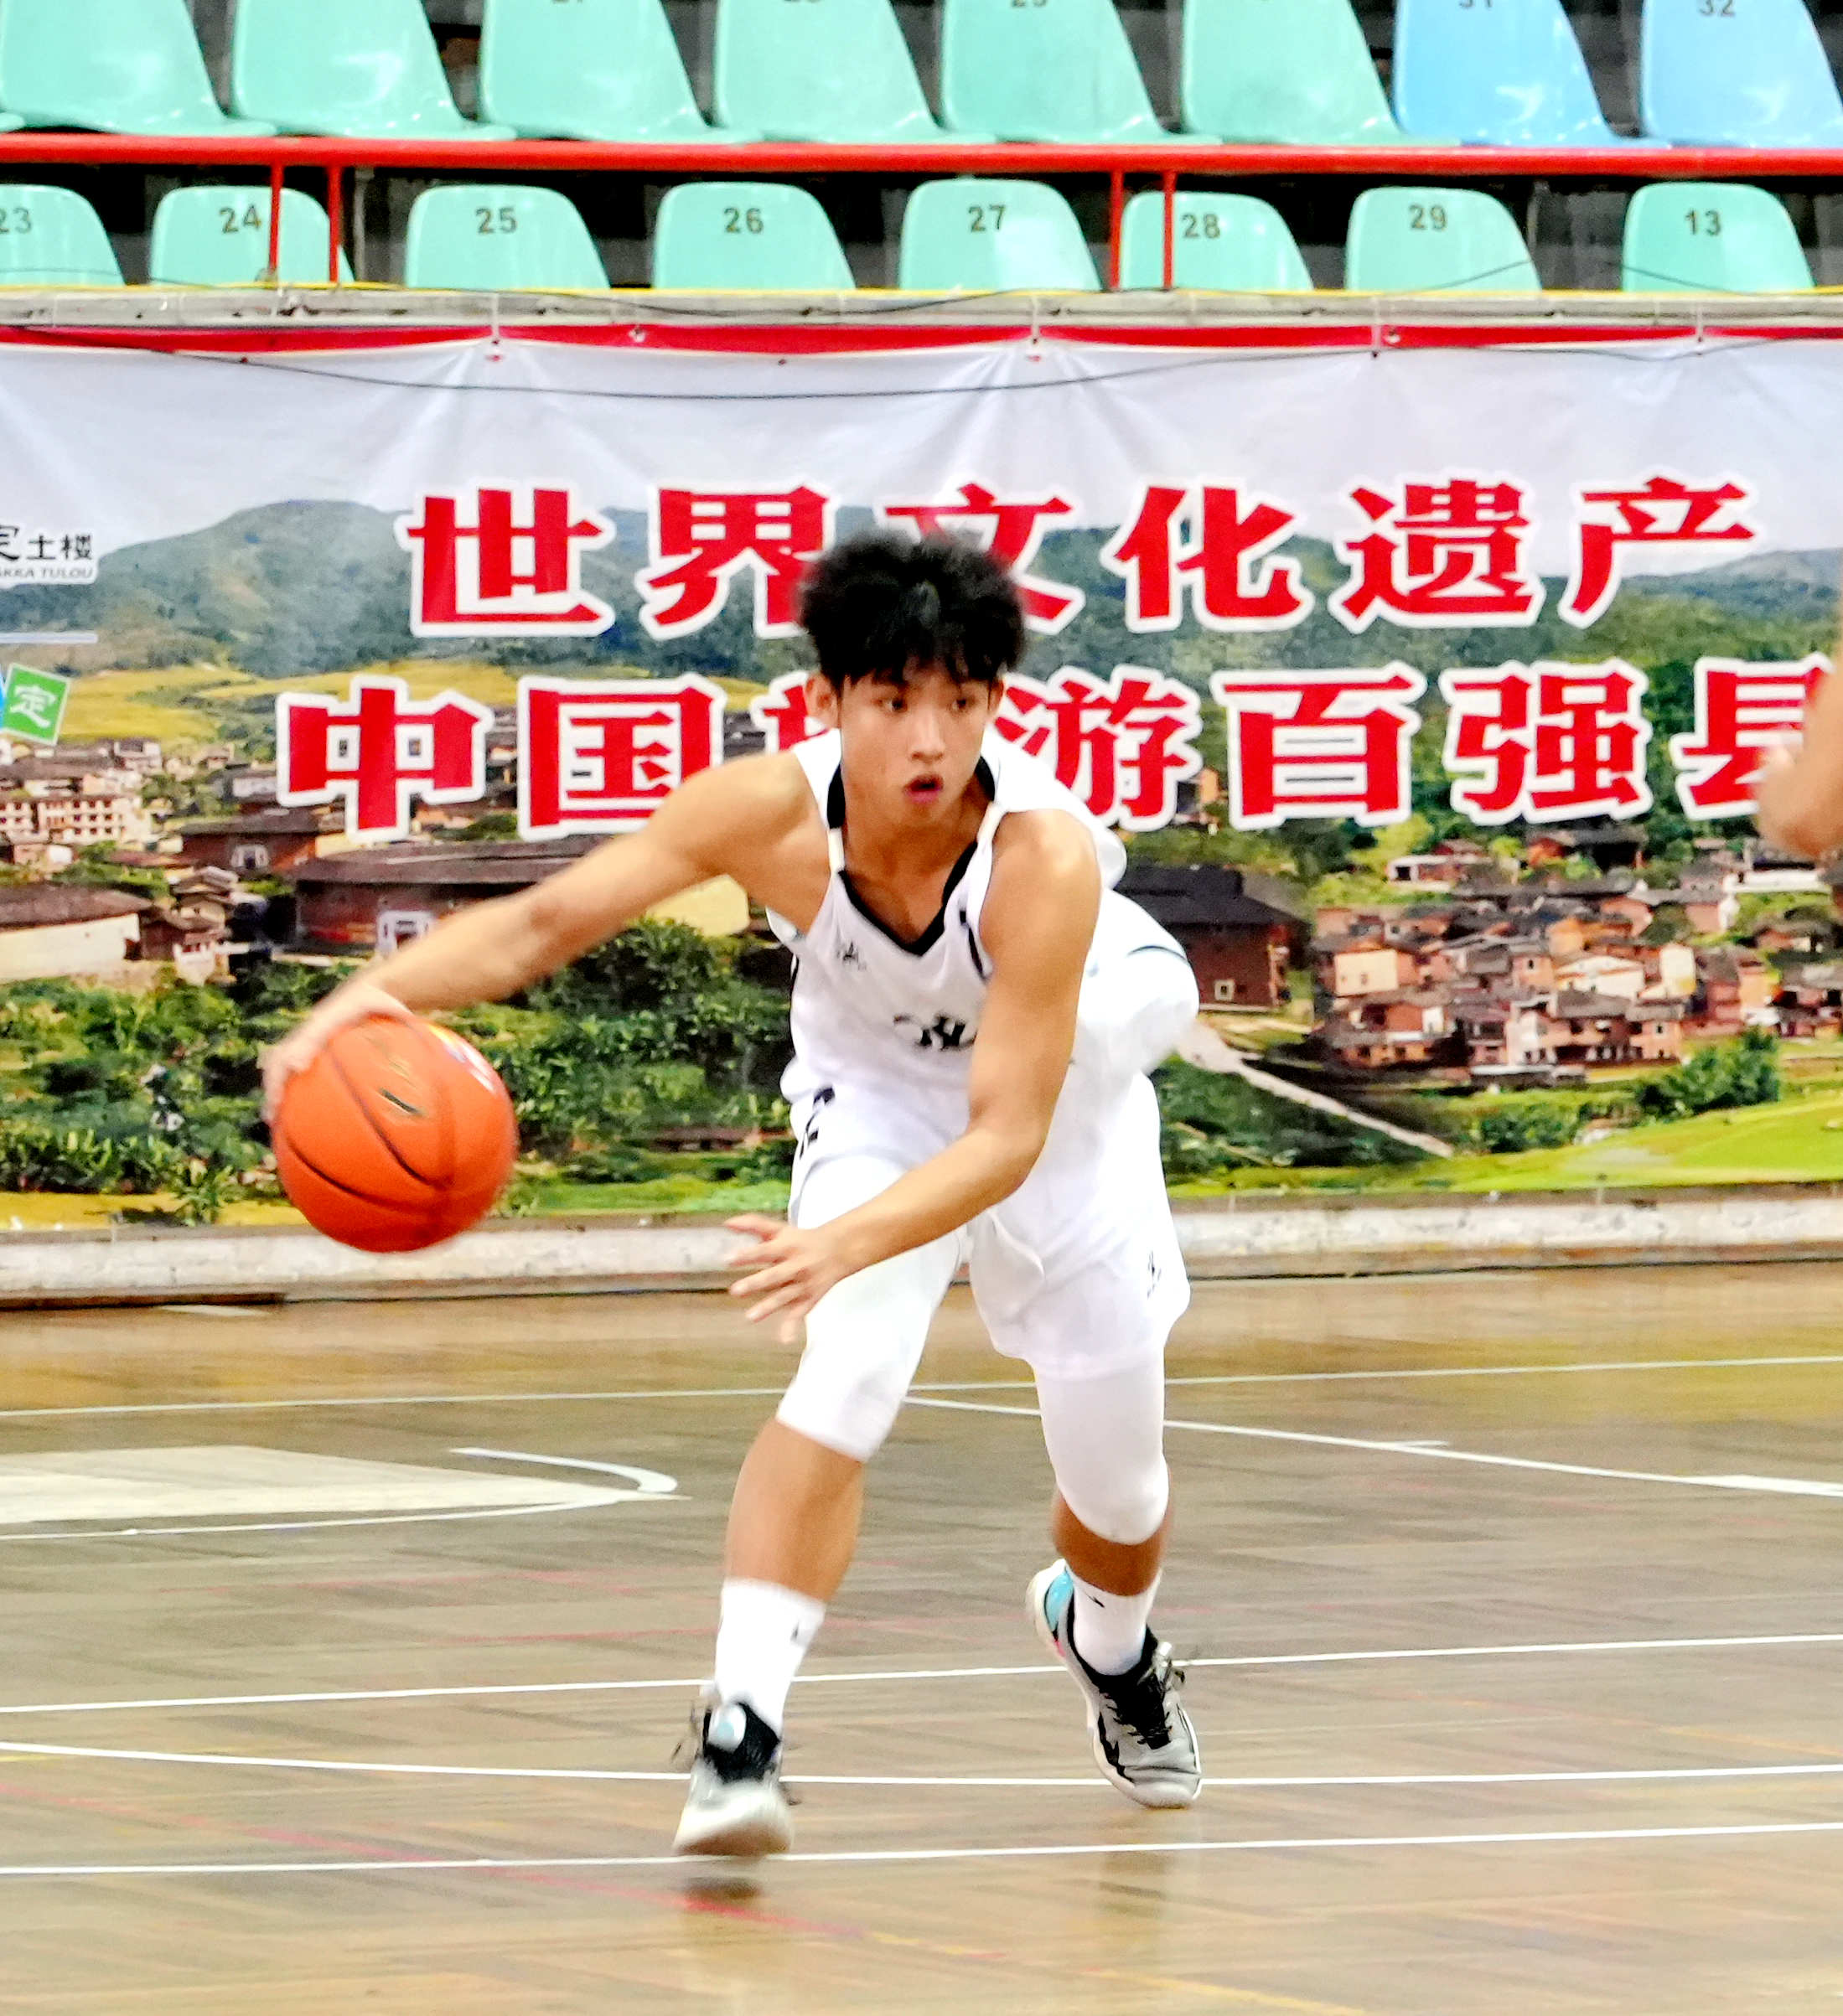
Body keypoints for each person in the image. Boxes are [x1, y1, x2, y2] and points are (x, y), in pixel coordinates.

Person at [265, 533, 1204, 1858]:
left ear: (995, 703)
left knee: (1118, 1494)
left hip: (1060, 1104)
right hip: (873, 1098)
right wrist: (354, 1007)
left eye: (960, 701)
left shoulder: (1040, 858)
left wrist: (841, 1241)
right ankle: (739, 1732)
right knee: (846, 1373)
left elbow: (1007, 1134)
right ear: (828, 700)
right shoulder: (762, 812)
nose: (928, 737)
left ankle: (1106, 1642)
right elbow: (541, 924)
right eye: (893, 700)